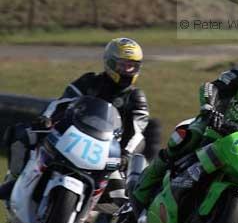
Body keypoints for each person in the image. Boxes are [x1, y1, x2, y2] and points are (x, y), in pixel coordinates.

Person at [132, 40, 238, 212]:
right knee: (184, 140)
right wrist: (208, 108)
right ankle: (140, 193)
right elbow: (212, 88)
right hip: (216, 129)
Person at [0, 37, 149, 204]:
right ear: (110, 63)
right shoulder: (89, 81)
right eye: (122, 65)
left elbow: (138, 132)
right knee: (22, 135)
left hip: (106, 153)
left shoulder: (136, 97)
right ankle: (16, 180)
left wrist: (126, 155)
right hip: (72, 136)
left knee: (126, 197)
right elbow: (62, 102)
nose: (127, 71)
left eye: (132, 66)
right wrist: (46, 118)